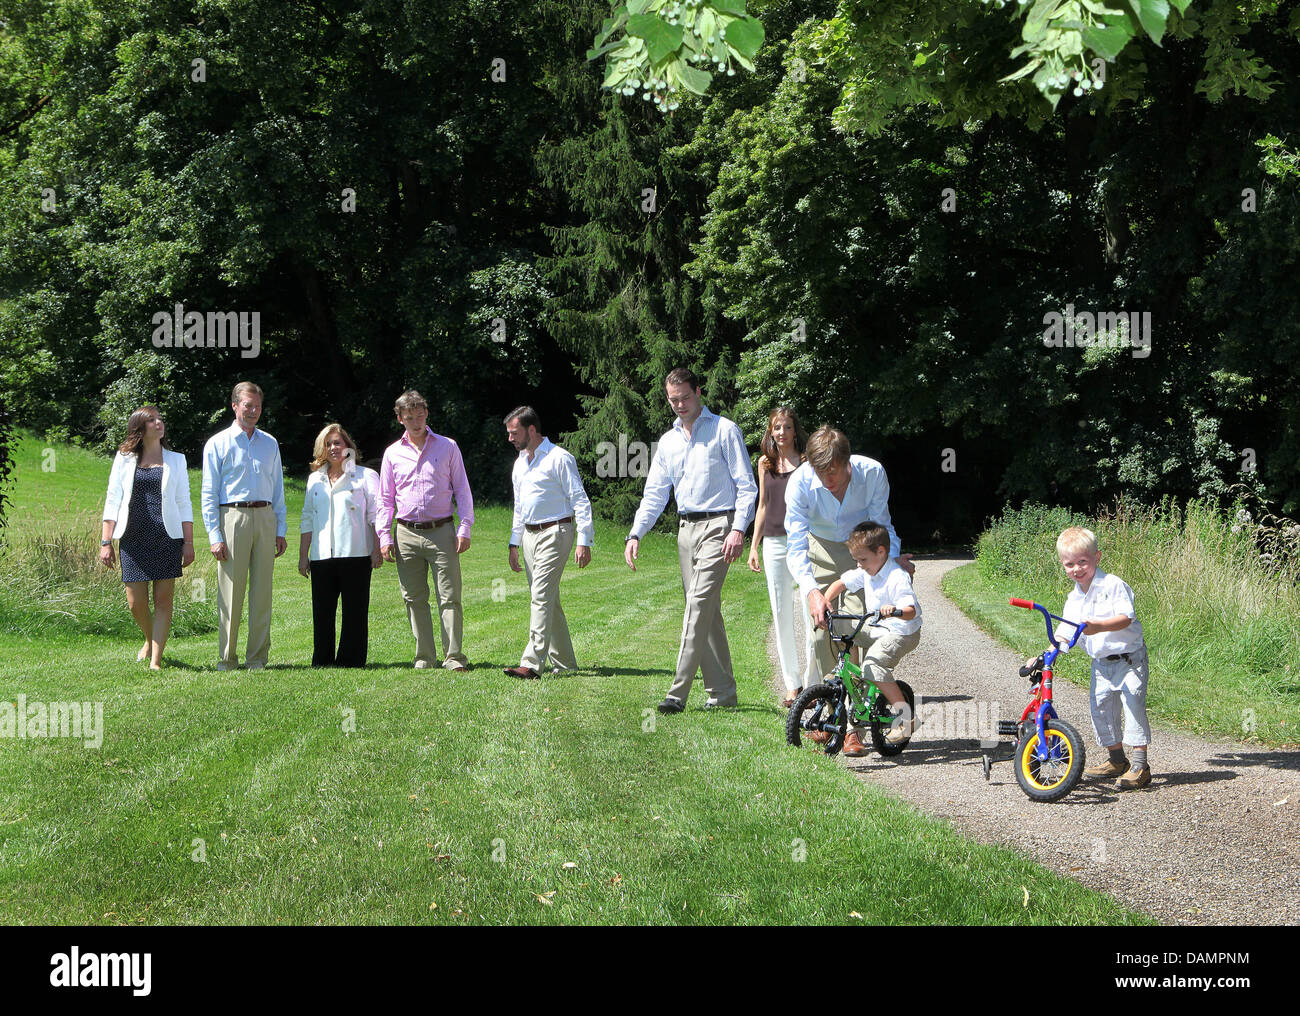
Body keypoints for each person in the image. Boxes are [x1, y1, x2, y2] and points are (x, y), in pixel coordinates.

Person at [625, 368, 757, 713]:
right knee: (707, 612)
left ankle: (677, 692)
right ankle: (723, 694)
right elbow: (654, 493)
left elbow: (747, 486)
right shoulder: (668, 442)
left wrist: (738, 529)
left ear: (699, 391)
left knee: (697, 606)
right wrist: (636, 532)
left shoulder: (724, 430)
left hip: (720, 526)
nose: (680, 404)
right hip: (686, 532)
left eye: (685, 396)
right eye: (673, 400)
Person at [786, 426, 912, 681]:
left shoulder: (872, 473)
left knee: (857, 623)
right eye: (820, 473)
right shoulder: (799, 483)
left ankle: (859, 694)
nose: (827, 481)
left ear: (848, 463)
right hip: (819, 547)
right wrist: (811, 592)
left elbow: (882, 526)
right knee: (822, 622)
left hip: (861, 547)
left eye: (833, 473)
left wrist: (891, 562)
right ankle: (832, 693)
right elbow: (796, 545)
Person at [376, 390, 474, 671]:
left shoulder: (447, 447)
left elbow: (463, 491)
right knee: (414, 597)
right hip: (405, 533)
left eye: (420, 415)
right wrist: (384, 535)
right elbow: (385, 499)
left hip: (443, 530)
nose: (416, 422)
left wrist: (465, 527)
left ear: (427, 414)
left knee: (450, 595)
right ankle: (424, 657)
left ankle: (454, 656)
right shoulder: (392, 453)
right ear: (400, 419)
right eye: (409, 418)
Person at [1050, 526, 1152, 789]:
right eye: (1069, 564)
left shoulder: (1113, 585)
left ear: (1097, 557)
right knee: (1101, 709)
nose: (1076, 569)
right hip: (1101, 664)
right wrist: (1047, 654)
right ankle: (1117, 760)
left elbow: (1125, 617)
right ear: (1063, 565)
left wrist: (1099, 626)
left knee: (1133, 708)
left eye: (1082, 561)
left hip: (1130, 661)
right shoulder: (1074, 597)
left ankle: (1140, 766)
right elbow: (1065, 631)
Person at [100, 405, 195, 669]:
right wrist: (106, 541)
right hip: (132, 536)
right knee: (135, 602)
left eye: (160, 419)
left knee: (164, 601)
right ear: (139, 429)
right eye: (152, 420)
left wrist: (188, 542)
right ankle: (149, 637)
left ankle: (156, 659)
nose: (159, 423)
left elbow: (183, 502)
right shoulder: (124, 458)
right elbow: (112, 499)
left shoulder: (177, 460)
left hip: (167, 536)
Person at [815, 521, 922, 757]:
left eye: (862, 559)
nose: (858, 564)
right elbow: (840, 583)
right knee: (842, 624)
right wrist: (826, 601)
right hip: (877, 627)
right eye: (856, 560)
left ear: (881, 552)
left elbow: (911, 610)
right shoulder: (865, 570)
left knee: (872, 666)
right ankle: (850, 676)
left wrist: (894, 609)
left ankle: (907, 718)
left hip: (900, 630)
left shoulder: (896, 576)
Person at [201, 381, 288, 671]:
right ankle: (227, 658)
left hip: (265, 516)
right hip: (232, 518)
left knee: (262, 593)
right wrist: (214, 534)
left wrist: (280, 530)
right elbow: (208, 494)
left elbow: (278, 490)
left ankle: (257, 658)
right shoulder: (218, 443)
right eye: (247, 405)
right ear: (235, 405)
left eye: (257, 406)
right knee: (231, 592)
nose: (253, 411)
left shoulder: (270, 443)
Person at [502, 406, 594, 679]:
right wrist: (514, 543)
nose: (510, 438)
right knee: (547, 599)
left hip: (556, 532)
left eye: (514, 433)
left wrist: (584, 540)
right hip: (529, 536)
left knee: (540, 596)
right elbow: (520, 506)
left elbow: (580, 500)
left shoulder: (560, 458)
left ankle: (530, 664)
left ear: (532, 430)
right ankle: (565, 663)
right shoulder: (520, 463)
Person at [746, 406, 817, 707]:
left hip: (802, 542)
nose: (782, 433)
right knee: (780, 613)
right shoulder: (765, 463)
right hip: (773, 543)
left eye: (787, 427)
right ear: (770, 431)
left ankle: (814, 684)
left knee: (809, 612)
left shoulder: (807, 462)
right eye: (777, 427)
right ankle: (792, 684)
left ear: (794, 430)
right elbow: (763, 504)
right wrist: (753, 545)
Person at [297, 424, 383, 667]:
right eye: (328, 444)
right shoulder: (315, 479)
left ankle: (351, 659)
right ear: (321, 449)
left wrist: (377, 549)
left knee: (355, 611)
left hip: (356, 553)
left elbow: (376, 514)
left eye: (338, 443)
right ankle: (322, 659)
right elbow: (307, 517)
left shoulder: (365, 476)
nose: (333, 448)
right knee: (322, 613)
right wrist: (304, 556)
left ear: (348, 446)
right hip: (322, 555)